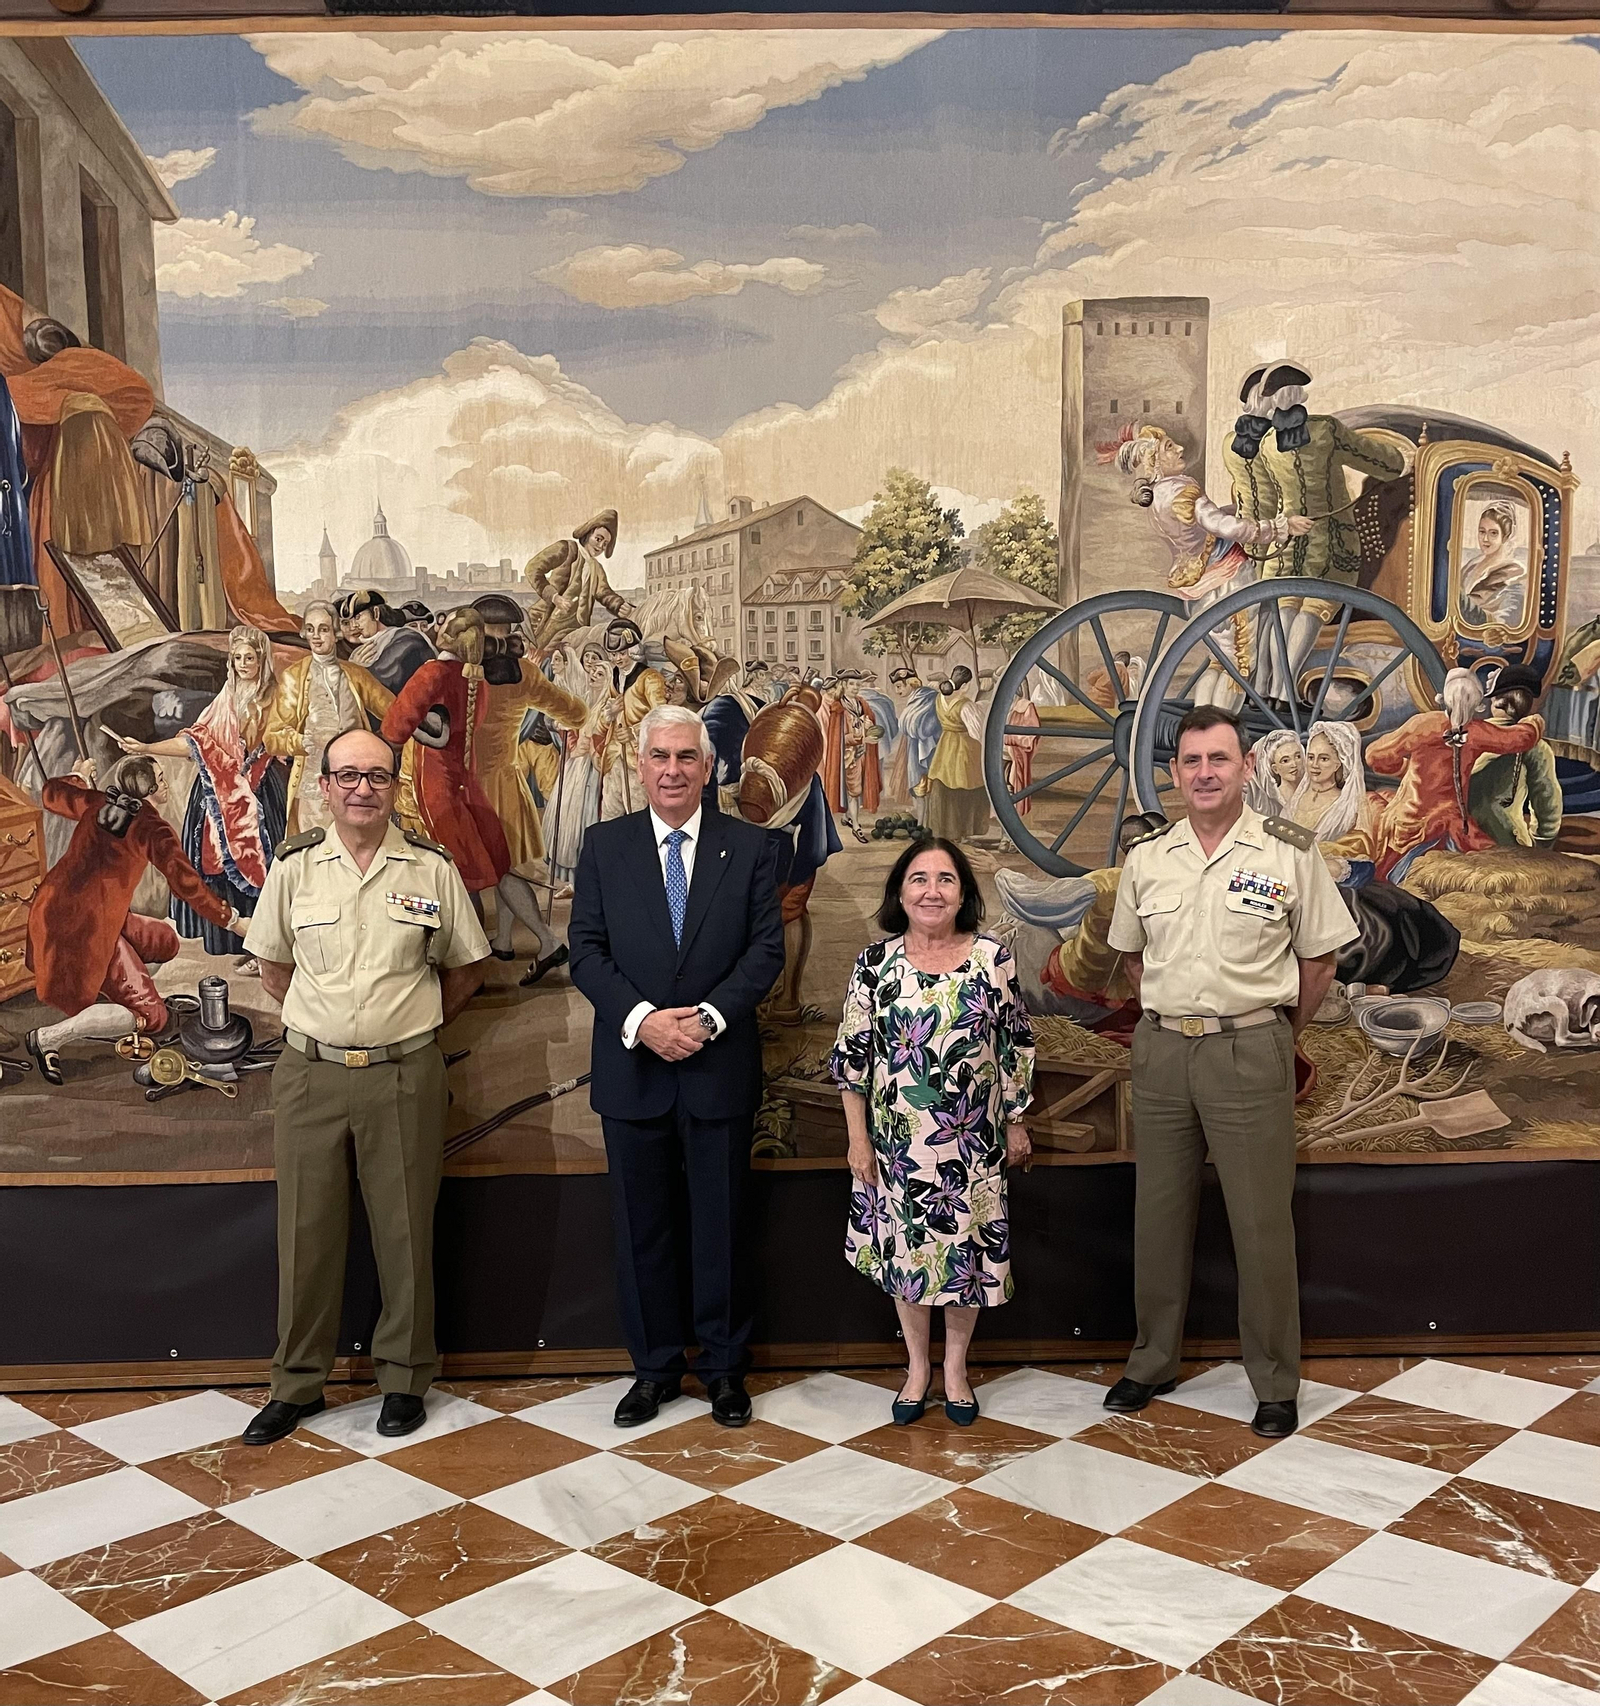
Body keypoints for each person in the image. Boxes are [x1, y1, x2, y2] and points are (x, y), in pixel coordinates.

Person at [1104, 704, 1357, 1438]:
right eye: (1192, 761)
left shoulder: (1288, 850)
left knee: (1259, 1222)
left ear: (1245, 768)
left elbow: (1320, 959)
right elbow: (1131, 954)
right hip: (1161, 1051)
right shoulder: (1150, 857)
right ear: (1175, 772)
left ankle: (1275, 1380)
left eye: (1219, 759)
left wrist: (1277, 1033)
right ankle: (1151, 1360)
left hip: (1250, 1049)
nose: (1205, 773)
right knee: (1158, 1216)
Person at [239, 728, 489, 1446]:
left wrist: (401, 1025)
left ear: (394, 787)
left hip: (404, 1075)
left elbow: (465, 969)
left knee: (405, 1232)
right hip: (311, 1075)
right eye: (347, 776)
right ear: (324, 786)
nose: (361, 789)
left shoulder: (431, 869)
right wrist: (333, 1027)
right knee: (305, 1233)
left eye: (376, 777)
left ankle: (405, 1378)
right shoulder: (295, 869)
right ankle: (296, 1385)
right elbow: (275, 971)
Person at [568, 704, 785, 1430]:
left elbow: (764, 954)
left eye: (686, 757)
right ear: (640, 764)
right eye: (659, 756)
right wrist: (643, 1023)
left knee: (722, 1227)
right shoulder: (604, 846)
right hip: (634, 1070)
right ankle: (654, 1370)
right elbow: (587, 951)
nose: (672, 770)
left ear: (709, 766)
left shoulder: (752, 848)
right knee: (641, 1232)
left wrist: (707, 1020)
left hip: (717, 1066)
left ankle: (725, 1372)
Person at [833, 839, 1033, 1426]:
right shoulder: (875, 965)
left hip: (973, 1143)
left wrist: (1018, 1120)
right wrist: (857, 1140)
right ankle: (918, 1367)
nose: (931, 890)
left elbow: (1015, 1046)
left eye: (945, 879)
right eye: (919, 879)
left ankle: (956, 1369)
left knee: (965, 1258)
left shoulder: (993, 959)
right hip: (897, 1144)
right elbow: (852, 1060)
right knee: (908, 1257)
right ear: (901, 891)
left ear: (963, 894)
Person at [25, 755, 241, 1083]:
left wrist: (77, 777)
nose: (167, 784)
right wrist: (232, 920)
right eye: (161, 779)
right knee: (152, 1018)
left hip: (55, 910)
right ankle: (48, 1038)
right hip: (90, 931)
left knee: (165, 942)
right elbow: (188, 886)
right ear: (149, 789)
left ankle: (113, 985)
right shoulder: (152, 828)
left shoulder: (96, 802)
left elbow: (52, 794)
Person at [1225, 362, 1407, 704]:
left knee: (1284, 614)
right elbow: (1385, 464)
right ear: (1299, 394)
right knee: (1312, 612)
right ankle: (1284, 693)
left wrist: (1261, 544)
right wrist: (1400, 462)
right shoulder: (1326, 431)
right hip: (1332, 544)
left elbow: (1263, 501)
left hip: (1285, 548)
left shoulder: (1265, 445)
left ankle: (1266, 690)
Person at [115, 624, 286, 969]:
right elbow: (194, 743)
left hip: (260, 791)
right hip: (216, 793)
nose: (242, 664)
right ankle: (234, 942)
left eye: (249, 658)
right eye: (236, 657)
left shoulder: (275, 698)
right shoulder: (226, 696)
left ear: (261, 659)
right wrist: (146, 746)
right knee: (213, 859)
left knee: (269, 867)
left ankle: (266, 948)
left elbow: (287, 742)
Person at [1112, 423, 1309, 707]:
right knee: (1241, 663)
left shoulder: (1156, 500)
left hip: (1200, 590)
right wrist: (1279, 527)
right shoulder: (1183, 492)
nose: (1179, 448)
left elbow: (1201, 526)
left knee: (1219, 662)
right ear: (1154, 462)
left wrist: (1234, 510)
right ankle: (1218, 732)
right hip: (1229, 583)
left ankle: (1201, 723)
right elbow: (1222, 526)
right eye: (1169, 447)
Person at [381, 606, 511, 906]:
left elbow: (393, 727)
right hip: (464, 779)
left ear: (447, 635)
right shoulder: (476, 679)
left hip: (432, 783)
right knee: (471, 867)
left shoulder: (432, 672)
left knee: (449, 869)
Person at [1365, 667, 1545, 880]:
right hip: (1450, 821)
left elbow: (1375, 756)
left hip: (1410, 819)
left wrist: (1404, 770)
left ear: (1442, 699)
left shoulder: (1423, 724)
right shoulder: (1476, 732)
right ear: (1478, 705)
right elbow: (1520, 739)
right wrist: (1534, 722)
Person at [264, 601, 394, 834]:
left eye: (323, 629)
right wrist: (301, 741)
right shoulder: (293, 677)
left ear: (335, 634)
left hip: (358, 786)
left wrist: (377, 744)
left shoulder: (355, 674)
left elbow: (395, 713)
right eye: (311, 629)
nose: (316, 636)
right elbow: (272, 737)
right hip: (315, 790)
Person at [1469, 664, 1562, 850]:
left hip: (1455, 842)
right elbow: (1547, 803)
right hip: (1508, 844)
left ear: (1495, 702)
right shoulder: (1535, 747)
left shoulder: (1466, 736)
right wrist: (1543, 843)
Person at [525, 508, 632, 653]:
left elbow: (604, 592)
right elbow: (532, 568)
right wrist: (554, 597)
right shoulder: (566, 549)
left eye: (605, 544)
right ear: (588, 533)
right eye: (598, 539)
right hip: (545, 623)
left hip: (574, 631)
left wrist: (619, 605)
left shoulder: (596, 568)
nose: (600, 546)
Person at [925, 667, 989, 841]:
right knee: (966, 787)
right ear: (966, 685)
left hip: (945, 747)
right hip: (964, 750)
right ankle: (964, 833)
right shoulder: (966, 706)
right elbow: (978, 733)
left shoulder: (940, 699)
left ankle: (945, 832)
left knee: (945, 785)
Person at [344, 588, 436, 692]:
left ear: (376, 613)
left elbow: (383, 687)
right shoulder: (363, 649)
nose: (353, 626)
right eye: (349, 621)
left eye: (357, 617)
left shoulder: (407, 640)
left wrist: (355, 670)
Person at [1459, 503, 1528, 629]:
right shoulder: (1471, 566)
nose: (1485, 539)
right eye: (1482, 532)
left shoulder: (1515, 573)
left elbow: (1505, 621)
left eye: (1493, 533)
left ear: (1505, 536)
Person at [1245, 728, 1306, 817]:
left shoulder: (1313, 796)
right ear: (1275, 769)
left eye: (1297, 757)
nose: (1294, 764)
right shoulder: (1268, 803)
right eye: (1285, 761)